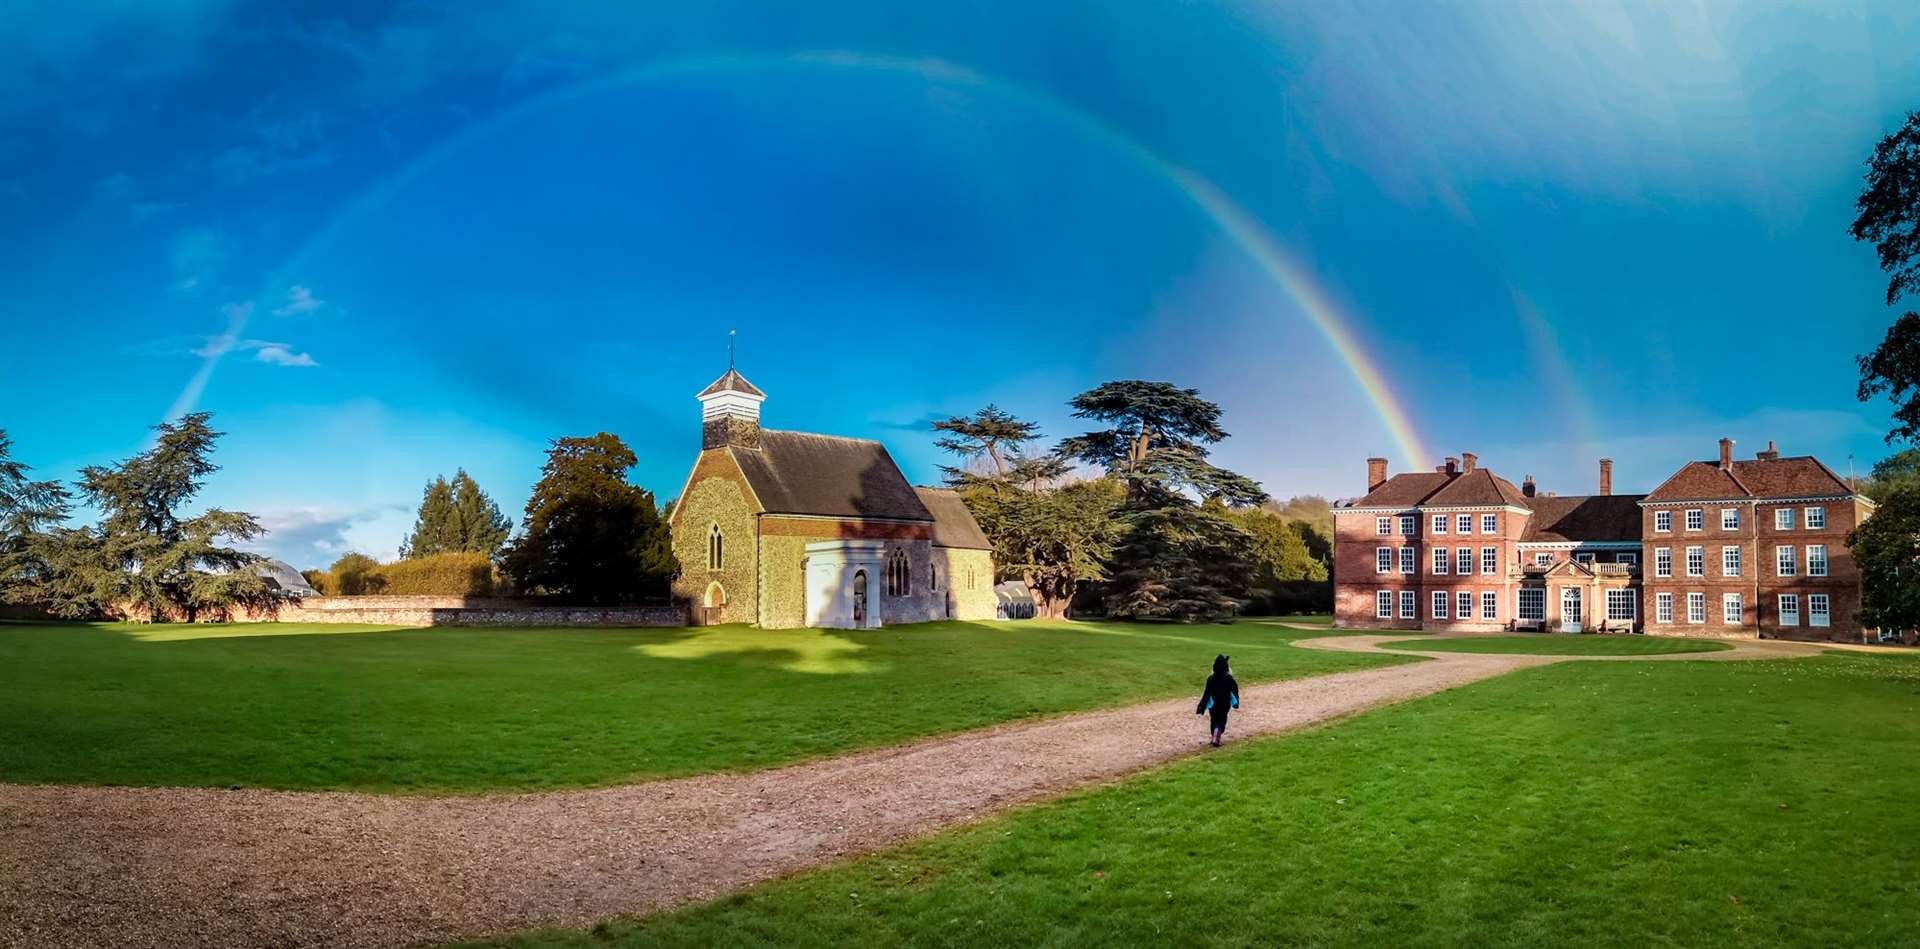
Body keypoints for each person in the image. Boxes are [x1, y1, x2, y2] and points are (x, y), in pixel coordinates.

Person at [1195, 654, 1240, 746]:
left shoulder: (1211, 678)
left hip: (1213, 704)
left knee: (1214, 719)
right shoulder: (1229, 678)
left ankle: (1214, 735)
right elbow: (1235, 689)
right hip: (1225, 703)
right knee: (1222, 720)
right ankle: (1217, 735)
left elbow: (1206, 694)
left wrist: (1201, 706)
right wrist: (1236, 702)